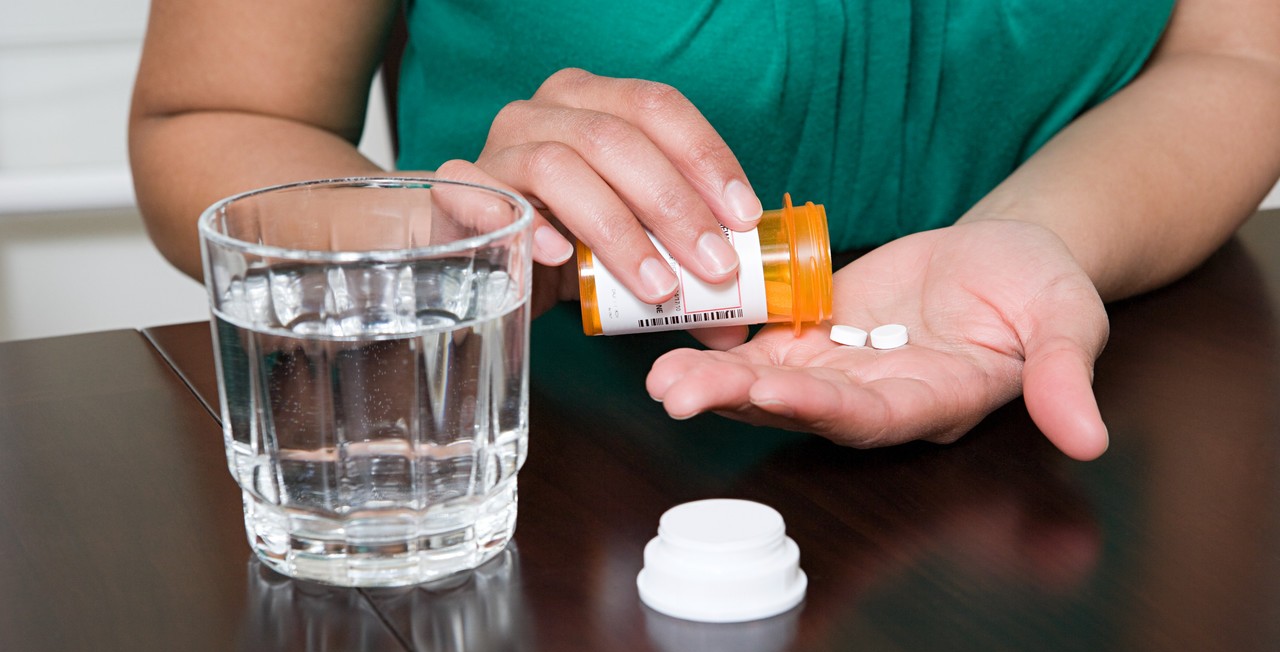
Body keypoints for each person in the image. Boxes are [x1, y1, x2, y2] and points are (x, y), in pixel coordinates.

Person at [128, 1, 1280, 461]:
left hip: (1095, 456)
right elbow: (214, 114)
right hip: (564, 510)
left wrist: (1039, 234)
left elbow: (1236, 53)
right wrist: (448, 246)